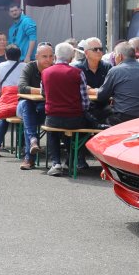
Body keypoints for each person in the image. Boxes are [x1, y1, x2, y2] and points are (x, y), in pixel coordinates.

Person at [41, 40, 93, 176]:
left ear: (55, 56)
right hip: (74, 118)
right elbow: (85, 101)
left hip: (53, 117)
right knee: (79, 132)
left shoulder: (45, 72)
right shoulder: (78, 73)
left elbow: (43, 93)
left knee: (52, 132)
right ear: (71, 57)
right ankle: (71, 160)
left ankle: (56, 163)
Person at [93, 42, 139, 125]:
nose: (114, 58)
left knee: (96, 116)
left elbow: (101, 96)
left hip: (124, 118)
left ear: (120, 56)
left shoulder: (115, 71)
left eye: (115, 55)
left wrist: (92, 90)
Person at [17, 41, 54, 170]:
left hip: (43, 108)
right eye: (44, 56)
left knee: (31, 118)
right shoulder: (30, 67)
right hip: (23, 107)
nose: (48, 59)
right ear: (37, 56)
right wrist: (44, 90)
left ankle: (32, 145)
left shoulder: (55, 69)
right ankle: (30, 153)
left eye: (51, 56)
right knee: (27, 105)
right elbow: (22, 88)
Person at [0, 45, 24, 154]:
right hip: (21, 99)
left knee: (3, 118)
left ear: (6, 55)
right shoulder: (25, 66)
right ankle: (21, 147)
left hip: (6, 98)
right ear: (19, 56)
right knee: (23, 118)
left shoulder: (1, 66)